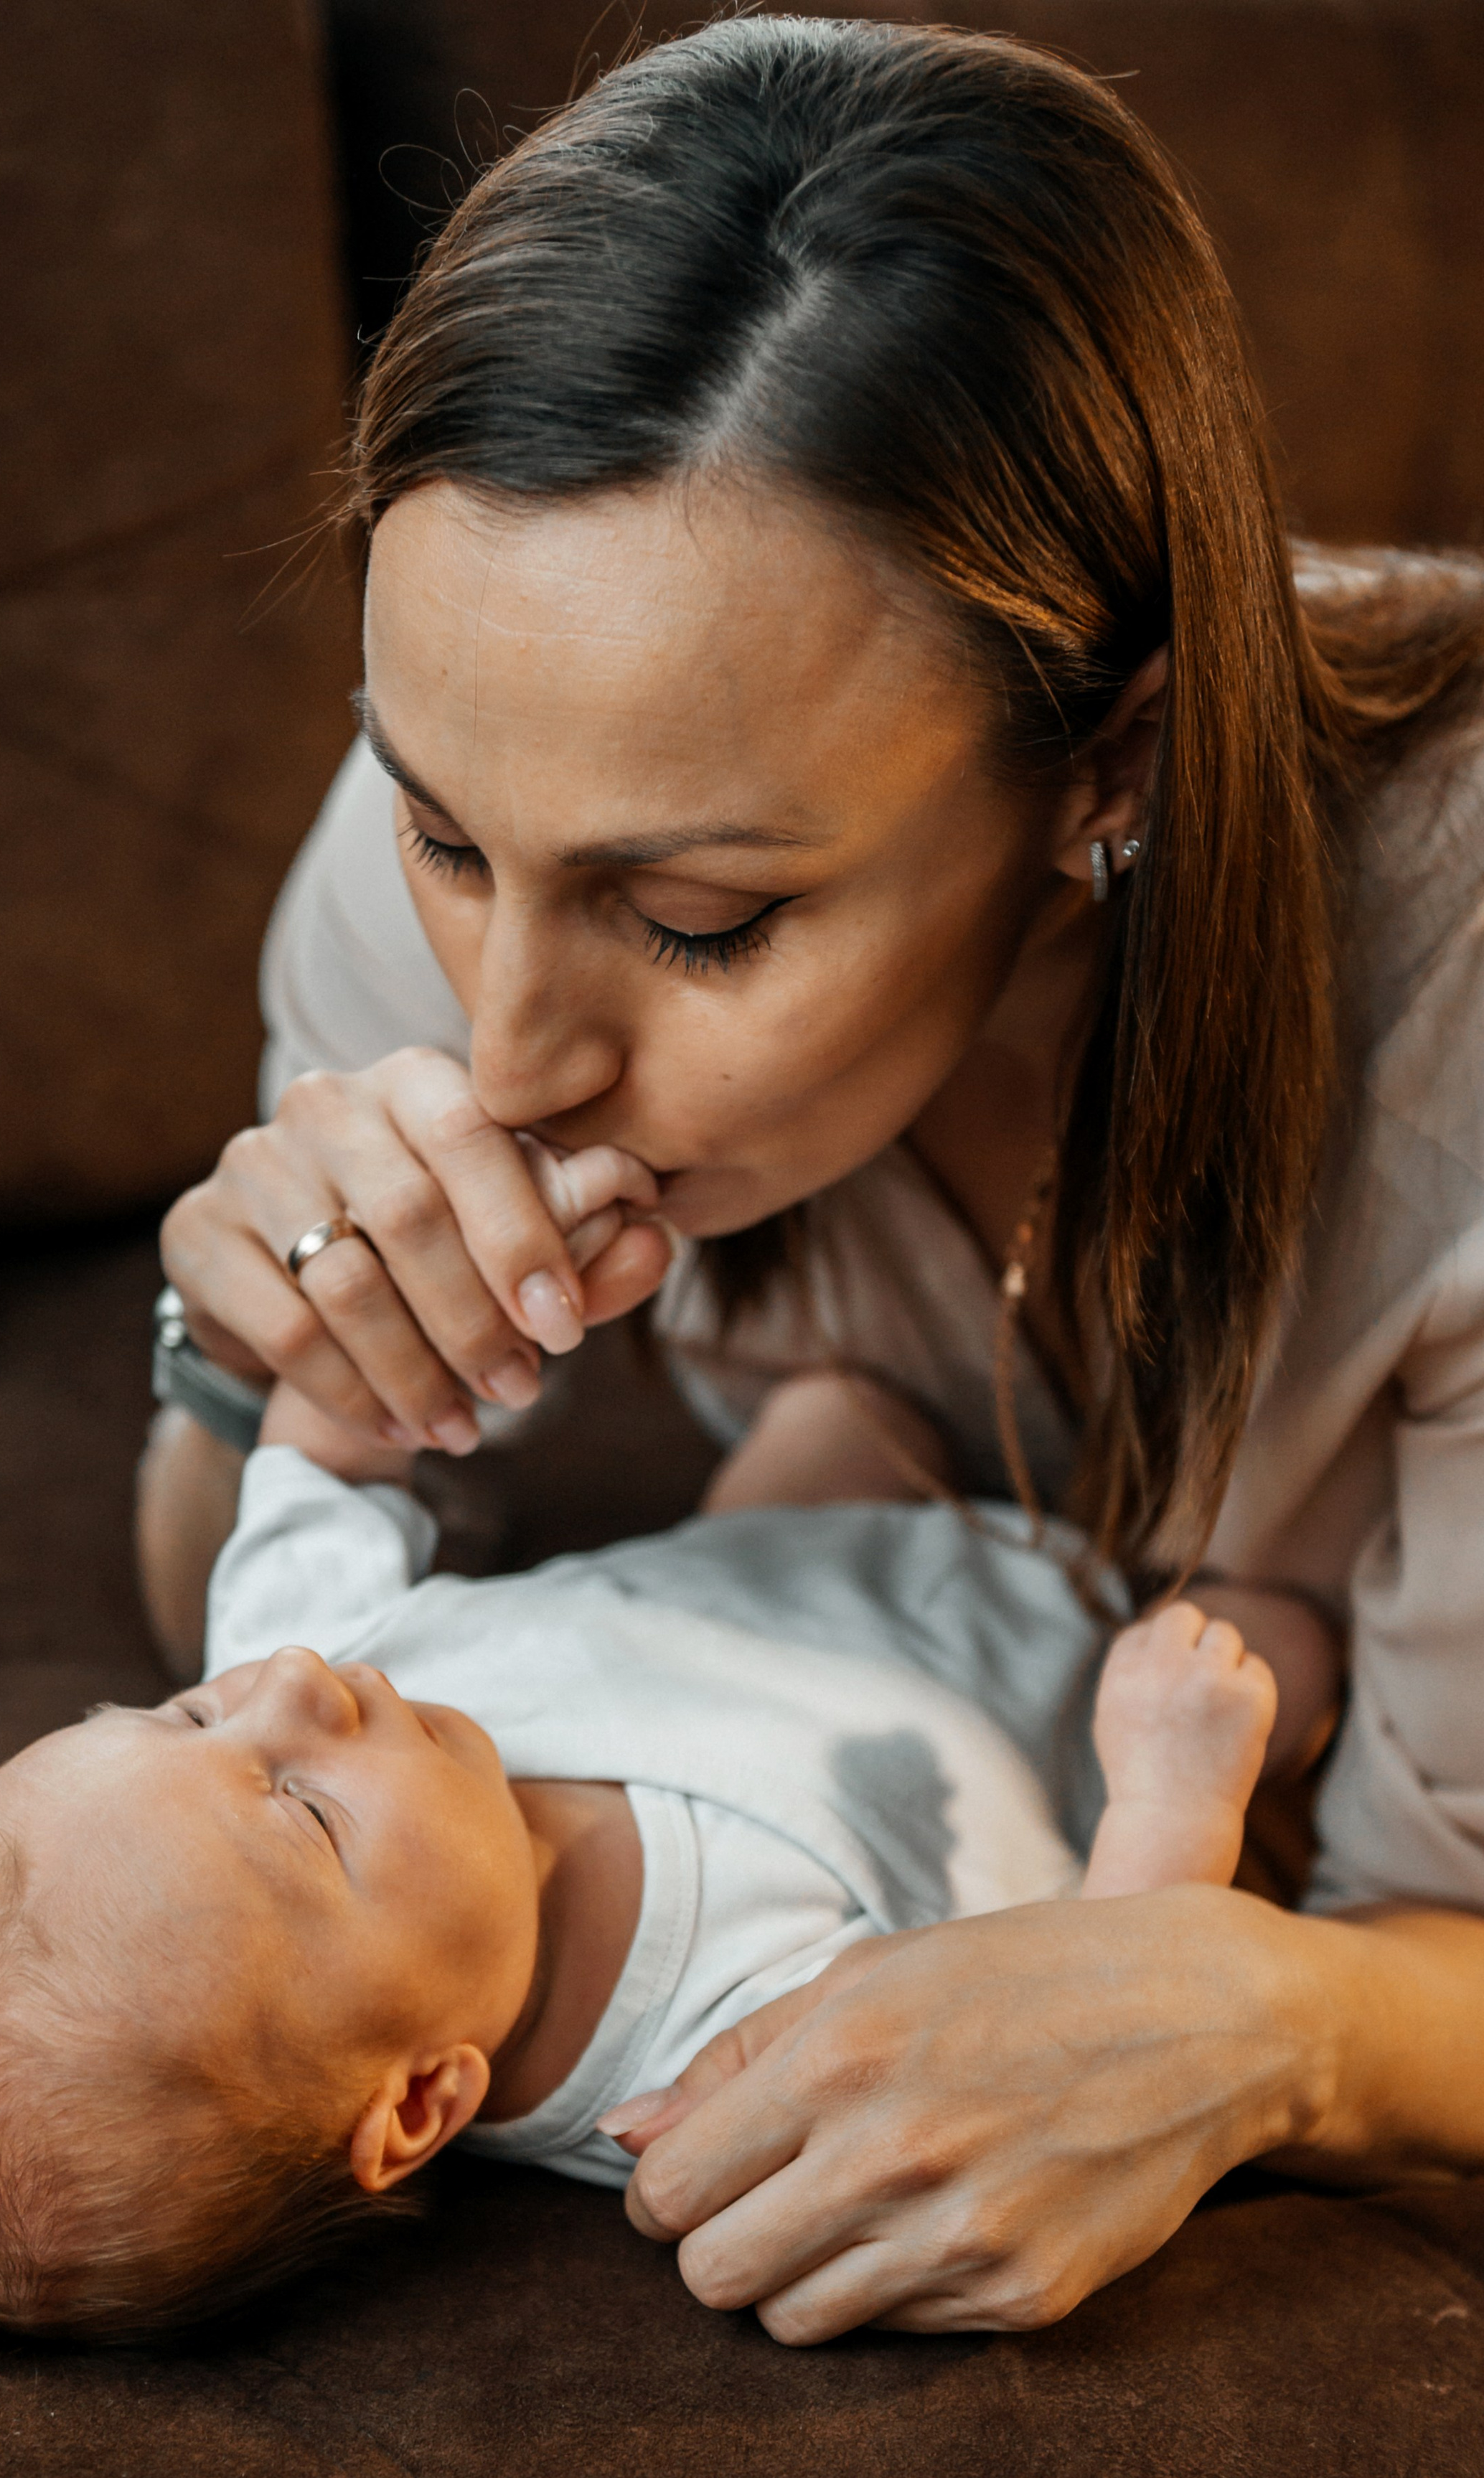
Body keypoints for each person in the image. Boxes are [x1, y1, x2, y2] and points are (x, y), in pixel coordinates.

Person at [142, 16, 1484, 2342]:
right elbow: (216, 1632)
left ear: (1114, 766)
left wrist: (1272, 2019)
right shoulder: (475, 836)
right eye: (441, 830)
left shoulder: (1448, 1048)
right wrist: (256, 1358)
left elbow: (1429, 1938)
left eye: (698, 922)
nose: (511, 1045)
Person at [0, 1369, 1334, 2341]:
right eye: (301, 1807)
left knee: (831, 1408)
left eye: (179, 1710)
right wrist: (1170, 1797)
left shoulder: (317, 1674)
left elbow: (327, 1432)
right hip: (1066, 1698)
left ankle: (811, 1496)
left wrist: (406, 1313)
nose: (294, 1680)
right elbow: (1080, 2031)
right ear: (423, 2098)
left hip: (799, 1578)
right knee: (1280, 1651)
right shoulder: (727, 2060)